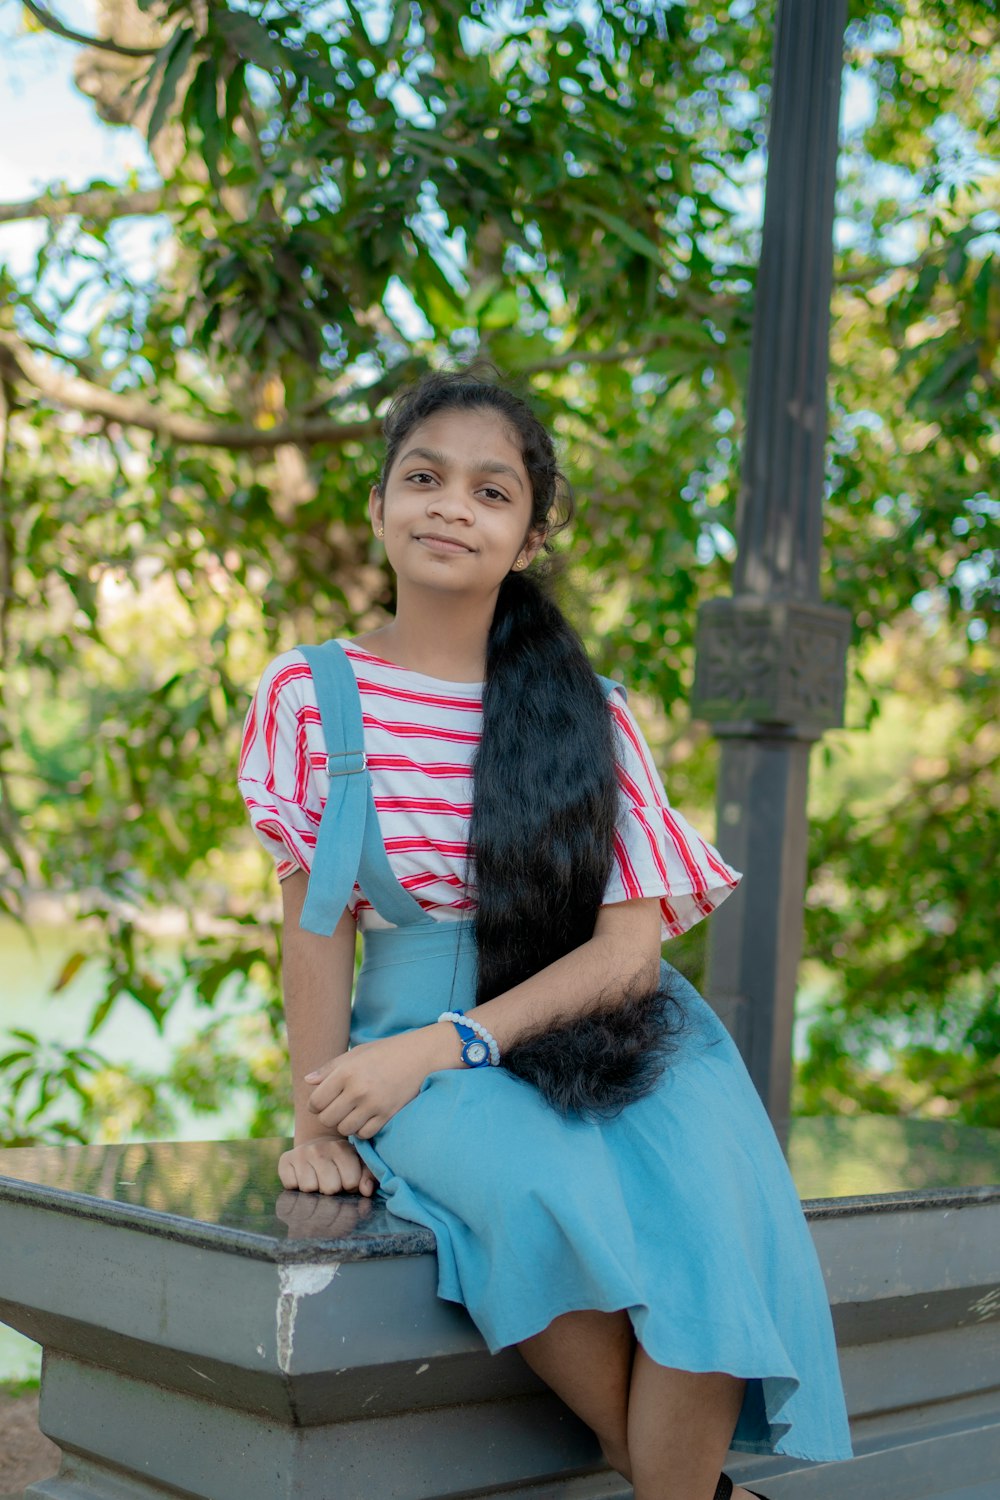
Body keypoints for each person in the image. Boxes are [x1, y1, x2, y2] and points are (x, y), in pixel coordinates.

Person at [237, 369, 852, 1500]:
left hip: (606, 1020)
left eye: (489, 492)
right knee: (537, 1195)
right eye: (421, 479)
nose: (449, 508)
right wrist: (317, 1111)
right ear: (378, 505)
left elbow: (626, 955)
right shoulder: (310, 693)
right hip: (409, 1029)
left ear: (525, 537)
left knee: (709, 1227)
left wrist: (445, 1047)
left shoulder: (592, 708)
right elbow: (313, 925)